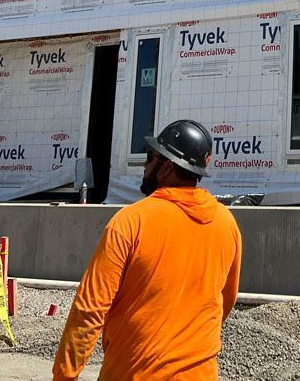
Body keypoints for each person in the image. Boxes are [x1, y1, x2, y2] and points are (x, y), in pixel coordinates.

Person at [53, 120, 242, 381]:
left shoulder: (131, 222)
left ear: (166, 167)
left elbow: (90, 309)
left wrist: (65, 375)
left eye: (150, 157)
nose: (144, 165)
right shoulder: (226, 223)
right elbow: (226, 300)